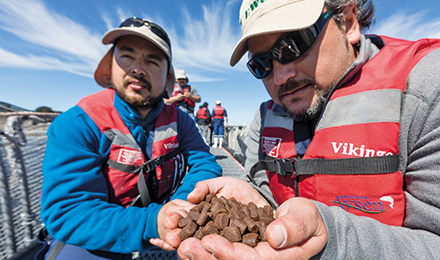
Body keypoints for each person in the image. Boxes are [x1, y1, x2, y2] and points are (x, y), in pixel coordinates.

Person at [163, 0, 440, 259]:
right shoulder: (265, 116)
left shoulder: (428, 90)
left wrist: (330, 240)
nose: (281, 76)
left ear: (348, 22)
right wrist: (254, 198)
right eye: (262, 64)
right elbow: (266, 197)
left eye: (294, 44)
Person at [38, 17, 222, 259]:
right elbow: (68, 210)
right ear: (111, 65)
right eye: (127, 56)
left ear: (168, 77)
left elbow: (205, 163)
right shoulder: (78, 124)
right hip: (100, 234)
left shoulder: (181, 122)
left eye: (153, 60)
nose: (138, 69)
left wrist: (177, 210)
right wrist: (153, 221)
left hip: (166, 221)